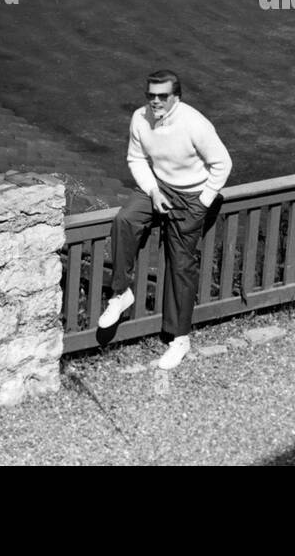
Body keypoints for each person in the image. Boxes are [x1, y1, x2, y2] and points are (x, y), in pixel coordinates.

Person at [97, 70, 233, 370]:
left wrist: (204, 201)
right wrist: (153, 190)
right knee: (125, 221)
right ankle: (121, 294)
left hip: (192, 196)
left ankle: (179, 339)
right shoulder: (139, 119)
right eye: (151, 95)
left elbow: (222, 163)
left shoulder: (195, 124)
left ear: (176, 97)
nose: (155, 101)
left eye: (163, 96)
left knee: (180, 265)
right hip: (158, 187)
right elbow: (135, 158)